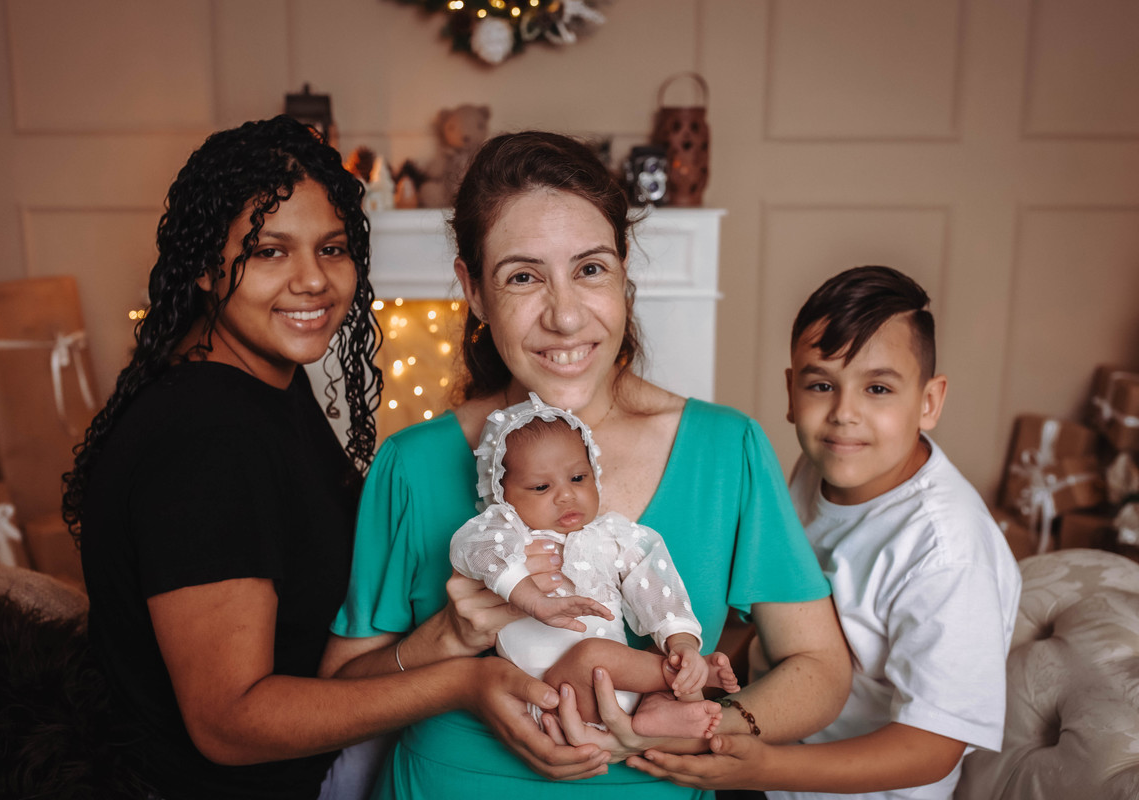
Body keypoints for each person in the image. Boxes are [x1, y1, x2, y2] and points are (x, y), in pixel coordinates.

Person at [63, 116, 588, 800]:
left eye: (332, 248)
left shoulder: (263, 385)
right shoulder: (207, 437)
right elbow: (228, 723)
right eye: (269, 251)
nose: (312, 280)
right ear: (204, 266)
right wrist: (462, 683)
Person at [325, 130, 852, 799]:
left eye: (590, 269)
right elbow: (337, 695)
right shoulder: (412, 464)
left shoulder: (726, 451)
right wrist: (448, 645)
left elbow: (821, 669)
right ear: (474, 291)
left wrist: (702, 727)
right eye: (523, 277)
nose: (566, 316)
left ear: (624, 271)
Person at [628, 266, 1023, 799]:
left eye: (878, 388)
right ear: (792, 392)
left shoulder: (947, 550)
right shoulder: (816, 471)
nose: (843, 414)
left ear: (929, 401)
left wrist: (761, 769)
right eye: (821, 385)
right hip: (764, 755)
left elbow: (935, 746)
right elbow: (778, 617)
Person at [450, 394, 741, 739]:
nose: (566, 495)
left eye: (578, 478)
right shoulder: (507, 535)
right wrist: (535, 601)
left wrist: (682, 644)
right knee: (592, 655)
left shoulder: (610, 536)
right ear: (502, 494)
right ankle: (680, 676)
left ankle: (657, 706)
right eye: (541, 487)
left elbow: (655, 584)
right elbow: (472, 548)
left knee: (651, 650)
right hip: (553, 695)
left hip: (621, 683)